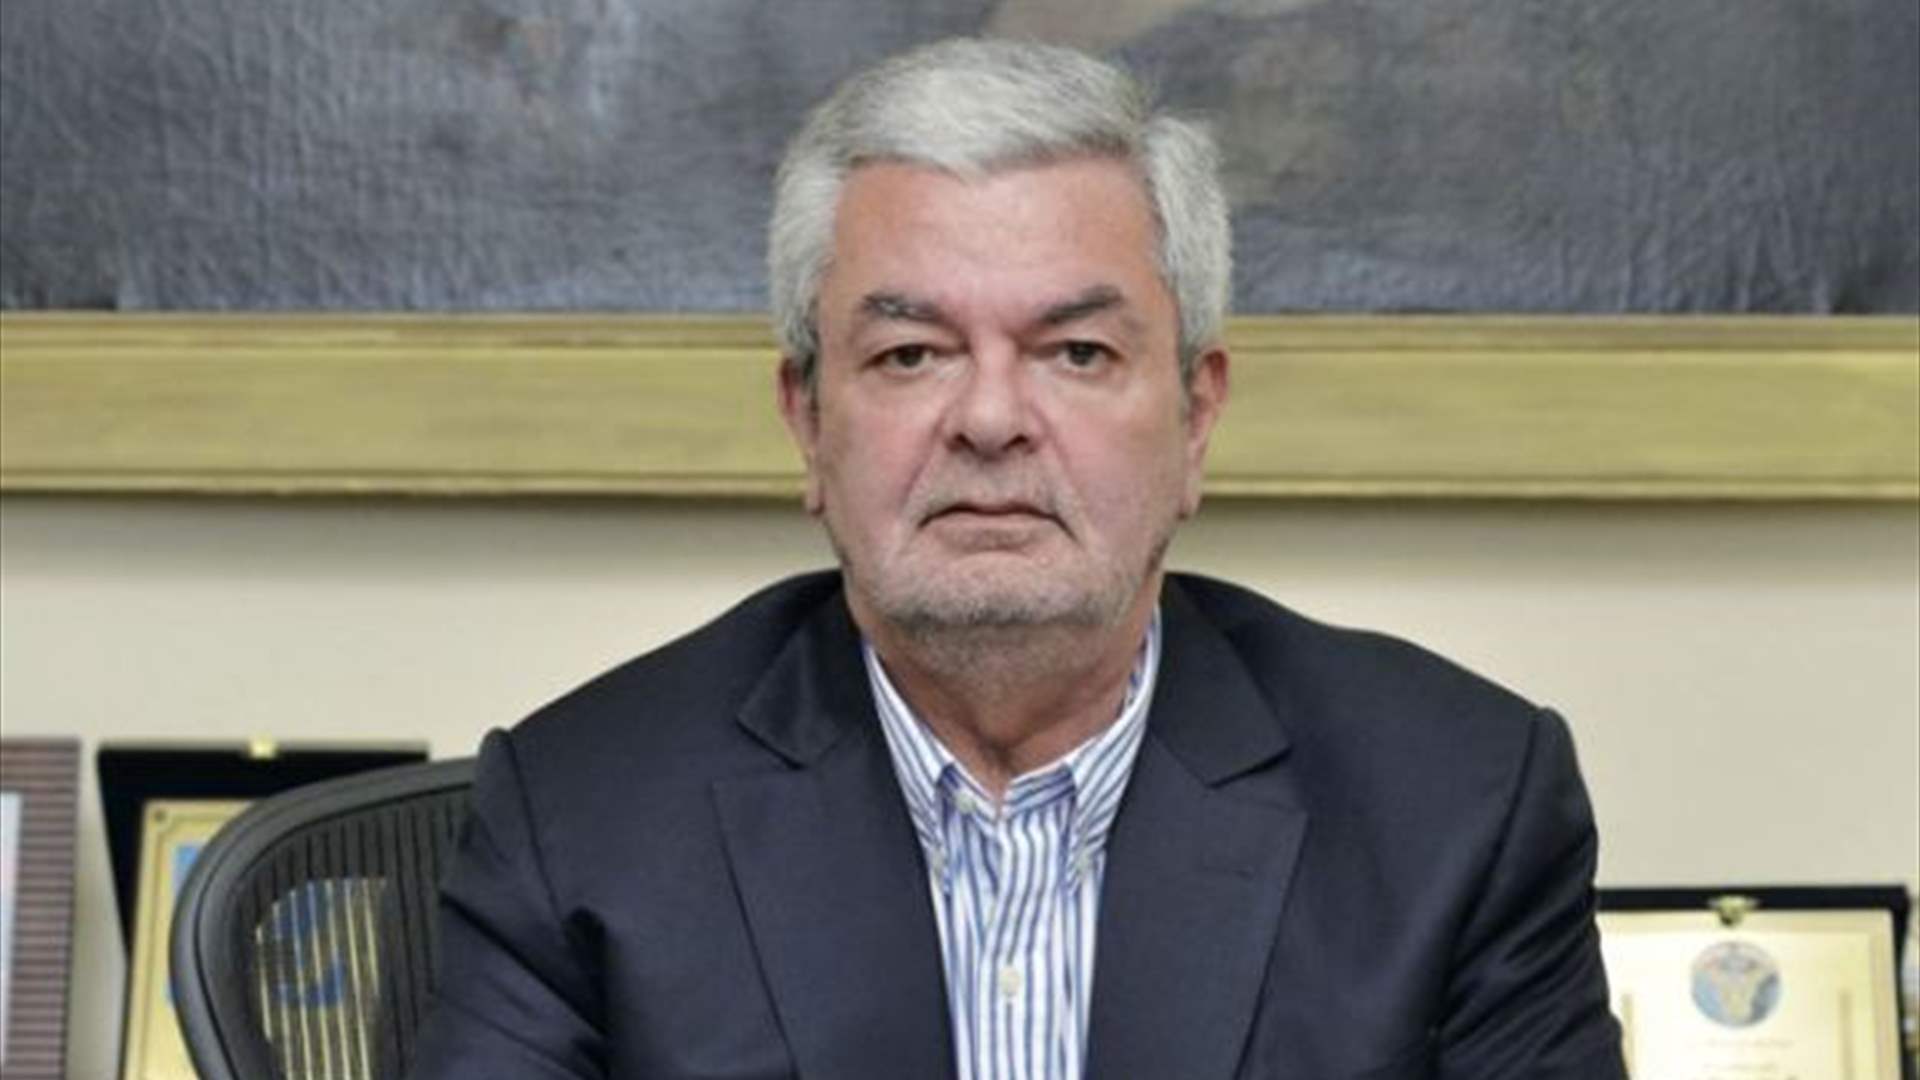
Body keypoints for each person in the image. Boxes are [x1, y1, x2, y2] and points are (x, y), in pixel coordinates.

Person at [409, 38, 1625, 1080]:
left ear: (1196, 417)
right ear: (808, 422)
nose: (990, 420)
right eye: (912, 355)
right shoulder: (582, 817)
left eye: (1076, 352)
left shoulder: (1459, 808)